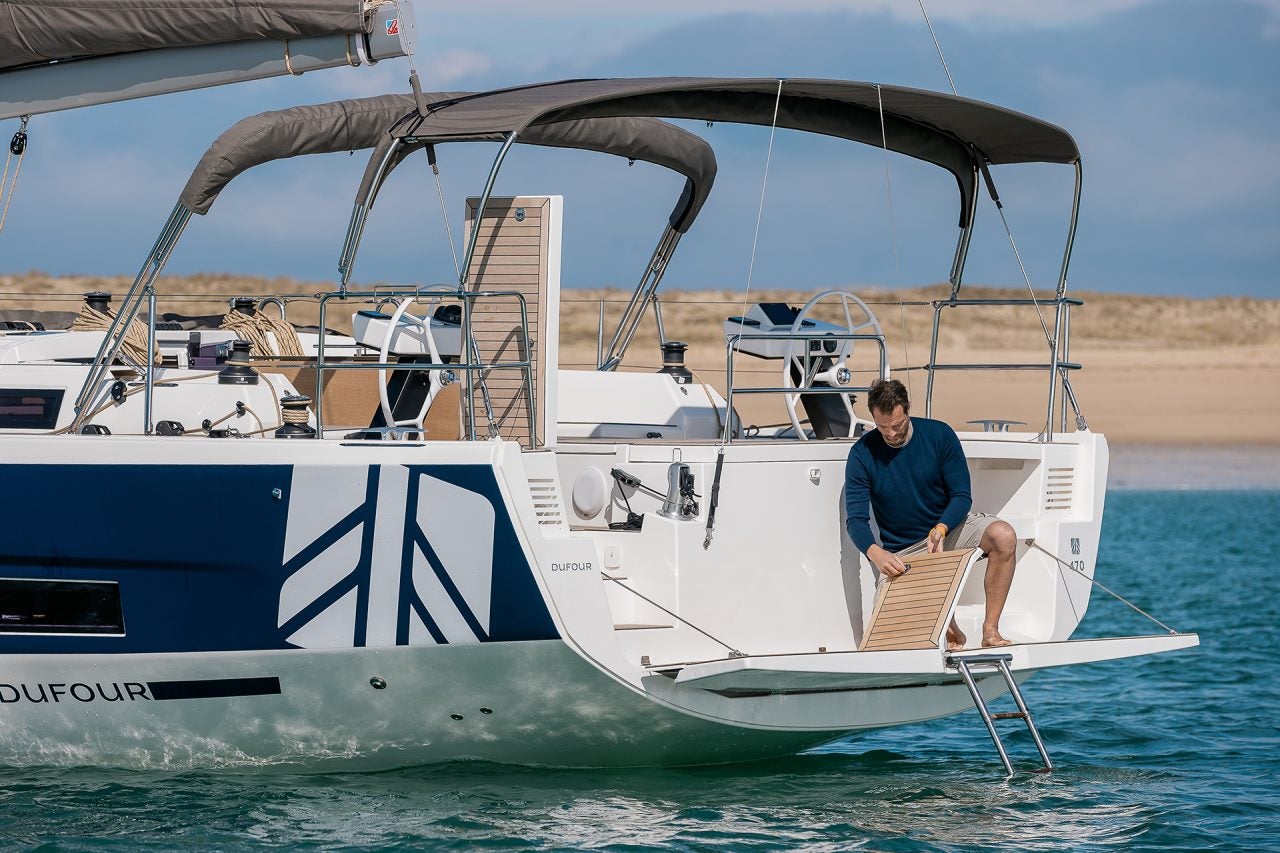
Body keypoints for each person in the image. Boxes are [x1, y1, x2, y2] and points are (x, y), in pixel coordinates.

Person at [843, 378, 1017, 649]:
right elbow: (855, 520)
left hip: (950, 529)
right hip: (903, 550)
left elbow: (961, 496)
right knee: (881, 645)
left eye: (897, 425)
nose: (890, 434)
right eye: (882, 427)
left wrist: (942, 527)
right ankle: (950, 627)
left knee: (1003, 535)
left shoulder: (939, 435)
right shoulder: (861, 454)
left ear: (908, 409)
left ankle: (990, 631)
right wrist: (875, 553)